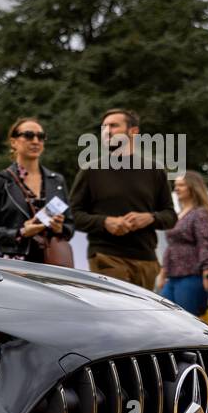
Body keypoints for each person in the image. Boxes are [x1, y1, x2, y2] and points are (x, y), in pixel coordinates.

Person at [69, 108, 176, 289]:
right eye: (104, 127)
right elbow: (72, 214)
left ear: (133, 131)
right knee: (114, 313)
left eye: (113, 126)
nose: (107, 131)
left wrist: (150, 218)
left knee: (142, 317)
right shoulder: (91, 171)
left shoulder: (155, 170)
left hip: (146, 259)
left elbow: (170, 216)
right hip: (105, 255)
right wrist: (105, 222)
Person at [0, 117, 72, 262]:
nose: (35, 141)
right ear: (13, 142)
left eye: (41, 136)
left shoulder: (57, 181)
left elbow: (70, 226)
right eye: (28, 135)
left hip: (52, 264)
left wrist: (59, 228)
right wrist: (20, 232)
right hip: (16, 265)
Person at [155, 171, 208, 316]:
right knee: (163, 315)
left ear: (193, 188)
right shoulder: (180, 213)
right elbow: (172, 247)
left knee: (185, 320)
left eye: (181, 185)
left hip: (191, 275)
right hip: (173, 275)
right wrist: (163, 273)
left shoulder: (201, 213)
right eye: (176, 185)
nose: (176, 188)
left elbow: (205, 244)